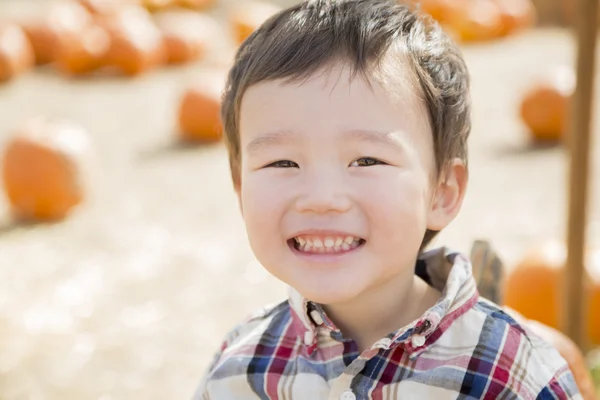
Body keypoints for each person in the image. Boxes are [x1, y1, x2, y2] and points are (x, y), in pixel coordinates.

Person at [194, 0, 582, 398]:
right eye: (282, 162)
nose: (322, 199)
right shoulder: (237, 370)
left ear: (442, 192)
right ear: (240, 191)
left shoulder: (512, 377)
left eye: (366, 159)